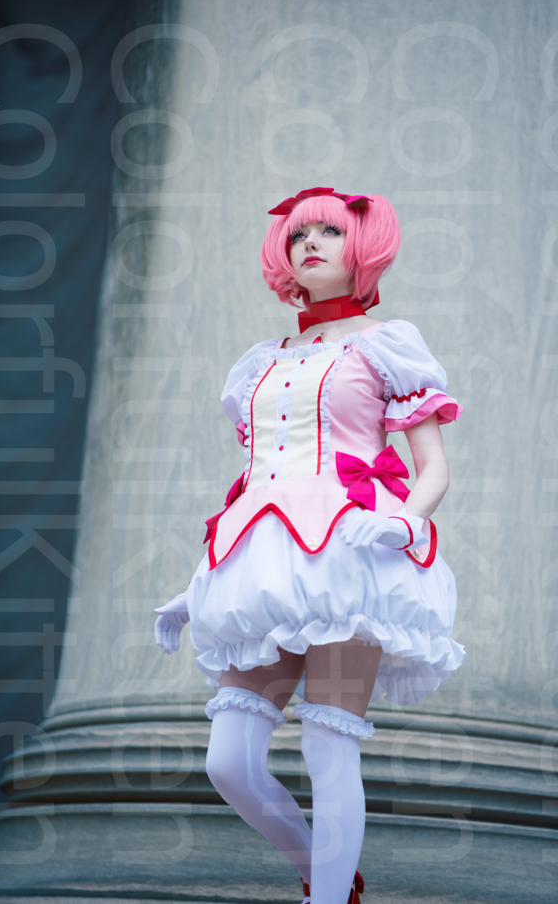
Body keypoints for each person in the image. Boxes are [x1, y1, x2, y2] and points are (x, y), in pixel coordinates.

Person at [154, 187, 466, 904]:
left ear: (363, 247)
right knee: (230, 763)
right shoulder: (261, 361)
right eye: (299, 234)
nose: (311, 243)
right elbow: (254, 481)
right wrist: (198, 584)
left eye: (330, 230)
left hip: (354, 556)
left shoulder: (387, 343)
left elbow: (433, 468)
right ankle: (327, 875)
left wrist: (405, 522)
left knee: (330, 748)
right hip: (264, 562)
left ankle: (326, 899)